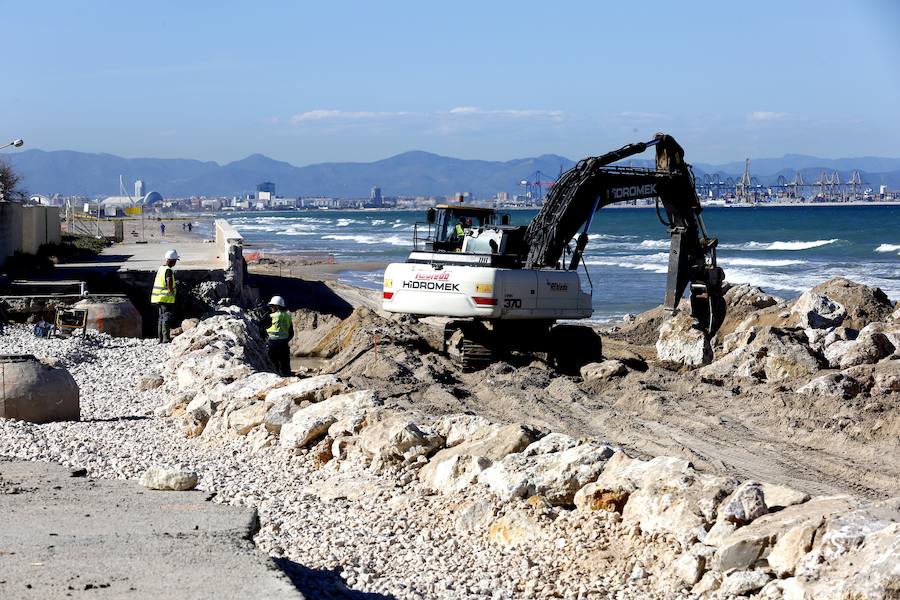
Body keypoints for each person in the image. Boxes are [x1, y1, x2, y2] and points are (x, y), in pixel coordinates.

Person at [150, 249, 179, 343]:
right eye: (175, 261)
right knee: (166, 317)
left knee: (161, 318)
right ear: (172, 260)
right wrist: (170, 290)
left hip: (158, 297)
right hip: (165, 298)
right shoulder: (168, 270)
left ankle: (160, 338)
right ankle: (166, 339)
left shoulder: (161, 268)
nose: (175, 263)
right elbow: (169, 280)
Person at [264, 295, 293, 376]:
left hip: (272, 344)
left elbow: (262, 328)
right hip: (284, 344)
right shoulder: (288, 316)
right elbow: (291, 333)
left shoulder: (270, 316)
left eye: (271, 306)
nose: (271, 308)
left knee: (274, 364)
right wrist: (285, 340)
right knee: (285, 364)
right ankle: (288, 379)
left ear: (276, 307)